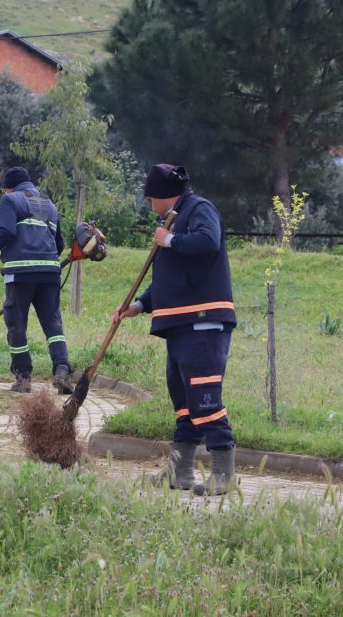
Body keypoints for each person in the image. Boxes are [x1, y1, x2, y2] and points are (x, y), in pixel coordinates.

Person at [112, 164, 236, 496]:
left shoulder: (199, 209)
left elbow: (208, 241)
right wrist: (140, 305)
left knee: (205, 398)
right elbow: (169, 280)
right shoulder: (173, 221)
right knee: (184, 404)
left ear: (163, 194)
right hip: (180, 326)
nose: (149, 203)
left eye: (150, 197)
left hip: (203, 323)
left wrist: (170, 240)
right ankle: (180, 472)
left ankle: (223, 473)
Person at [0, 166, 73, 394]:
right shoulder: (50, 205)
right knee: (53, 323)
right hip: (50, 273)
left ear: (8, 188)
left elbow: (8, 232)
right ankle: (62, 369)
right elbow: (59, 244)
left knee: (16, 324)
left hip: (20, 273)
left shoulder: (10, 200)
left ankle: (23, 378)